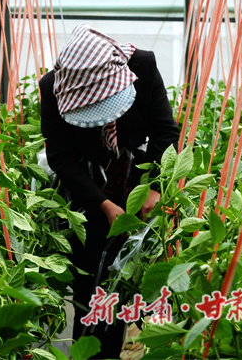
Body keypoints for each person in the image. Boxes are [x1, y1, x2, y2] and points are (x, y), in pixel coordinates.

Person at [39, 24, 180, 359]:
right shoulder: (52, 87)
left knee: (130, 273)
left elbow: (165, 133)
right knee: (92, 273)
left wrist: (154, 186)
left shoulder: (142, 66)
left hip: (136, 176)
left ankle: (120, 341)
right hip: (89, 185)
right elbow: (61, 157)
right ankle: (91, 350)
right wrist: (104, 205)